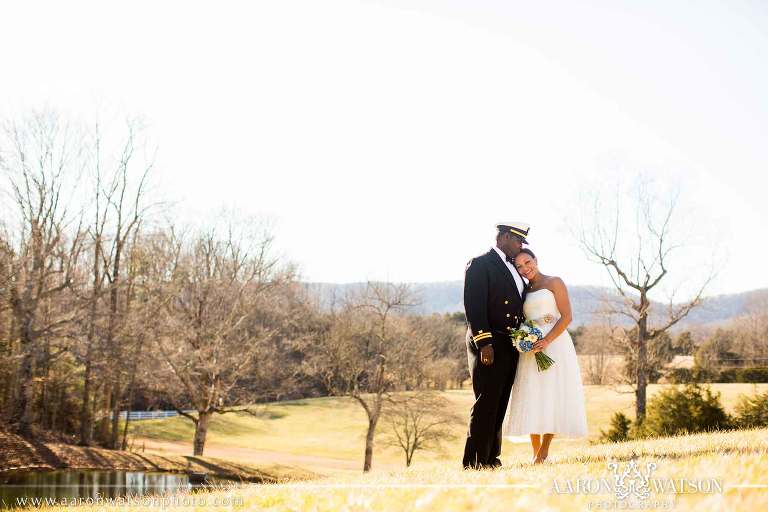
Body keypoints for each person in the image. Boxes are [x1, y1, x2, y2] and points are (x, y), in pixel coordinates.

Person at [503, 248, 588, 464]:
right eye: (519, 266)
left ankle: (544, 452)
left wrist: (547, 340)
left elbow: (567, 316)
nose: (525, 268)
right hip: (531, 348)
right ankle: (534, 452)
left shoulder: (554, 282)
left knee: (551, 394)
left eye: (527, 262)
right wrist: (525, 337)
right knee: (533, 395)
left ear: (536, 260)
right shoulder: (522, 289)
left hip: (554, 343)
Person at [462, 222, 529, 469]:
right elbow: (474, 306)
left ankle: (491, 458)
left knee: (500, 403)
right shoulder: (480, 264)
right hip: (489, 343)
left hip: (509, 344)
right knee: (486, 402)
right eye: (518, 241)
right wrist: (484, 343)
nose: (521, 247)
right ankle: (474, 462)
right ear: (505, 236)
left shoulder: (513, 267)